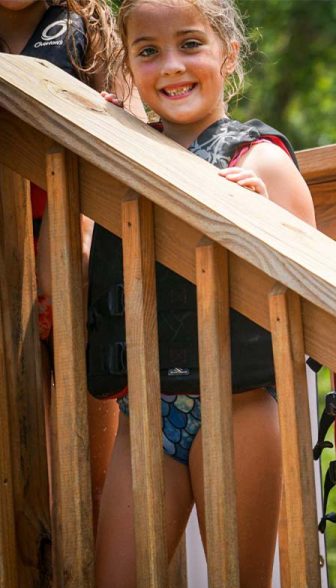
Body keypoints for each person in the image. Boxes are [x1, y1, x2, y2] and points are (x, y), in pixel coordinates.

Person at [91, 0, 315, 588]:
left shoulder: (260, 160)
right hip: (147, 408)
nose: (172, 65)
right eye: (148, 51)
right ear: (130, 66)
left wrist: (260, 220)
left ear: (229, 55)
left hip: (235, 406)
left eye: (190, 43)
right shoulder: (125, 149)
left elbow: (312, 290)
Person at [0, 0, 135, 525]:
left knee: (87, 487)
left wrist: (78, 235)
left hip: (73, 257)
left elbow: (137, 137)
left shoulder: (92, 28)